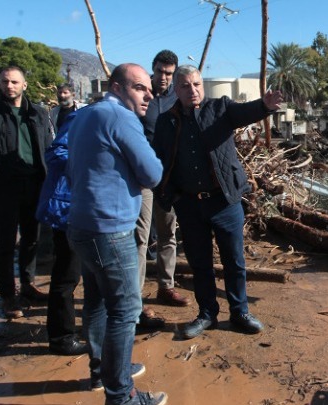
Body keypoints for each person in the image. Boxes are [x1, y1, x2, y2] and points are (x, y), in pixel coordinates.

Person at [153, 65, 282, 340]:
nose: (193, 91)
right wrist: (170, 195)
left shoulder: (220, 108)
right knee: (200, 263)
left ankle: (240, 312)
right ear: (176, 90)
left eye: (197, 84)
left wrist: (265, 106)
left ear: (203, 86)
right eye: (186, 86)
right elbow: (160, 158)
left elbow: (245, 112)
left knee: (234, 261)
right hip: (188, 205)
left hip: (224, 201)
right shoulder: (167, 121)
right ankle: (207, 314)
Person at [66, 63, 167, 405]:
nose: (148, 95)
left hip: (81, 225)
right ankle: (121, 394)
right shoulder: (122, 118)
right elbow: (152, 173)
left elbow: (73, 167)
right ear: (118, 87)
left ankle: (103, 371)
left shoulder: (85, 115)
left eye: (149, 90)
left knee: (96, 302)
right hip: (110, 230)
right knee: (125, 310)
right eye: (140, 88)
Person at [0, 66, 52, 319]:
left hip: (35, 184)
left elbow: (48, 149)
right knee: (6, 243)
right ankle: (8, 297)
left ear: (24, 85)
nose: (9, 86)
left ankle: (28, 284)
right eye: (4, 81)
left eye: (14, 82)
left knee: (32, 238)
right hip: (4, 187)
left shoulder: (39, 113)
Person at [136, 50, 190, 319]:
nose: (163, 77)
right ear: (152, 69)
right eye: (160, 71)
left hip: (168, 179)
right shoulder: (141, 94)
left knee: (168, 235)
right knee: (141, 238)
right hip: (143, 179)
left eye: (169, 73)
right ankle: (134, 299)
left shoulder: (177, 97)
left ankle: (165, 287)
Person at [35, 111, 88, 355]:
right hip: (67, 209)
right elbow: (56, 153)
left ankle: (89, 328)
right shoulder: (81, 118)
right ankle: (61, 337)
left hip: (88, 211)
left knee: (91, 276)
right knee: (67, 275)